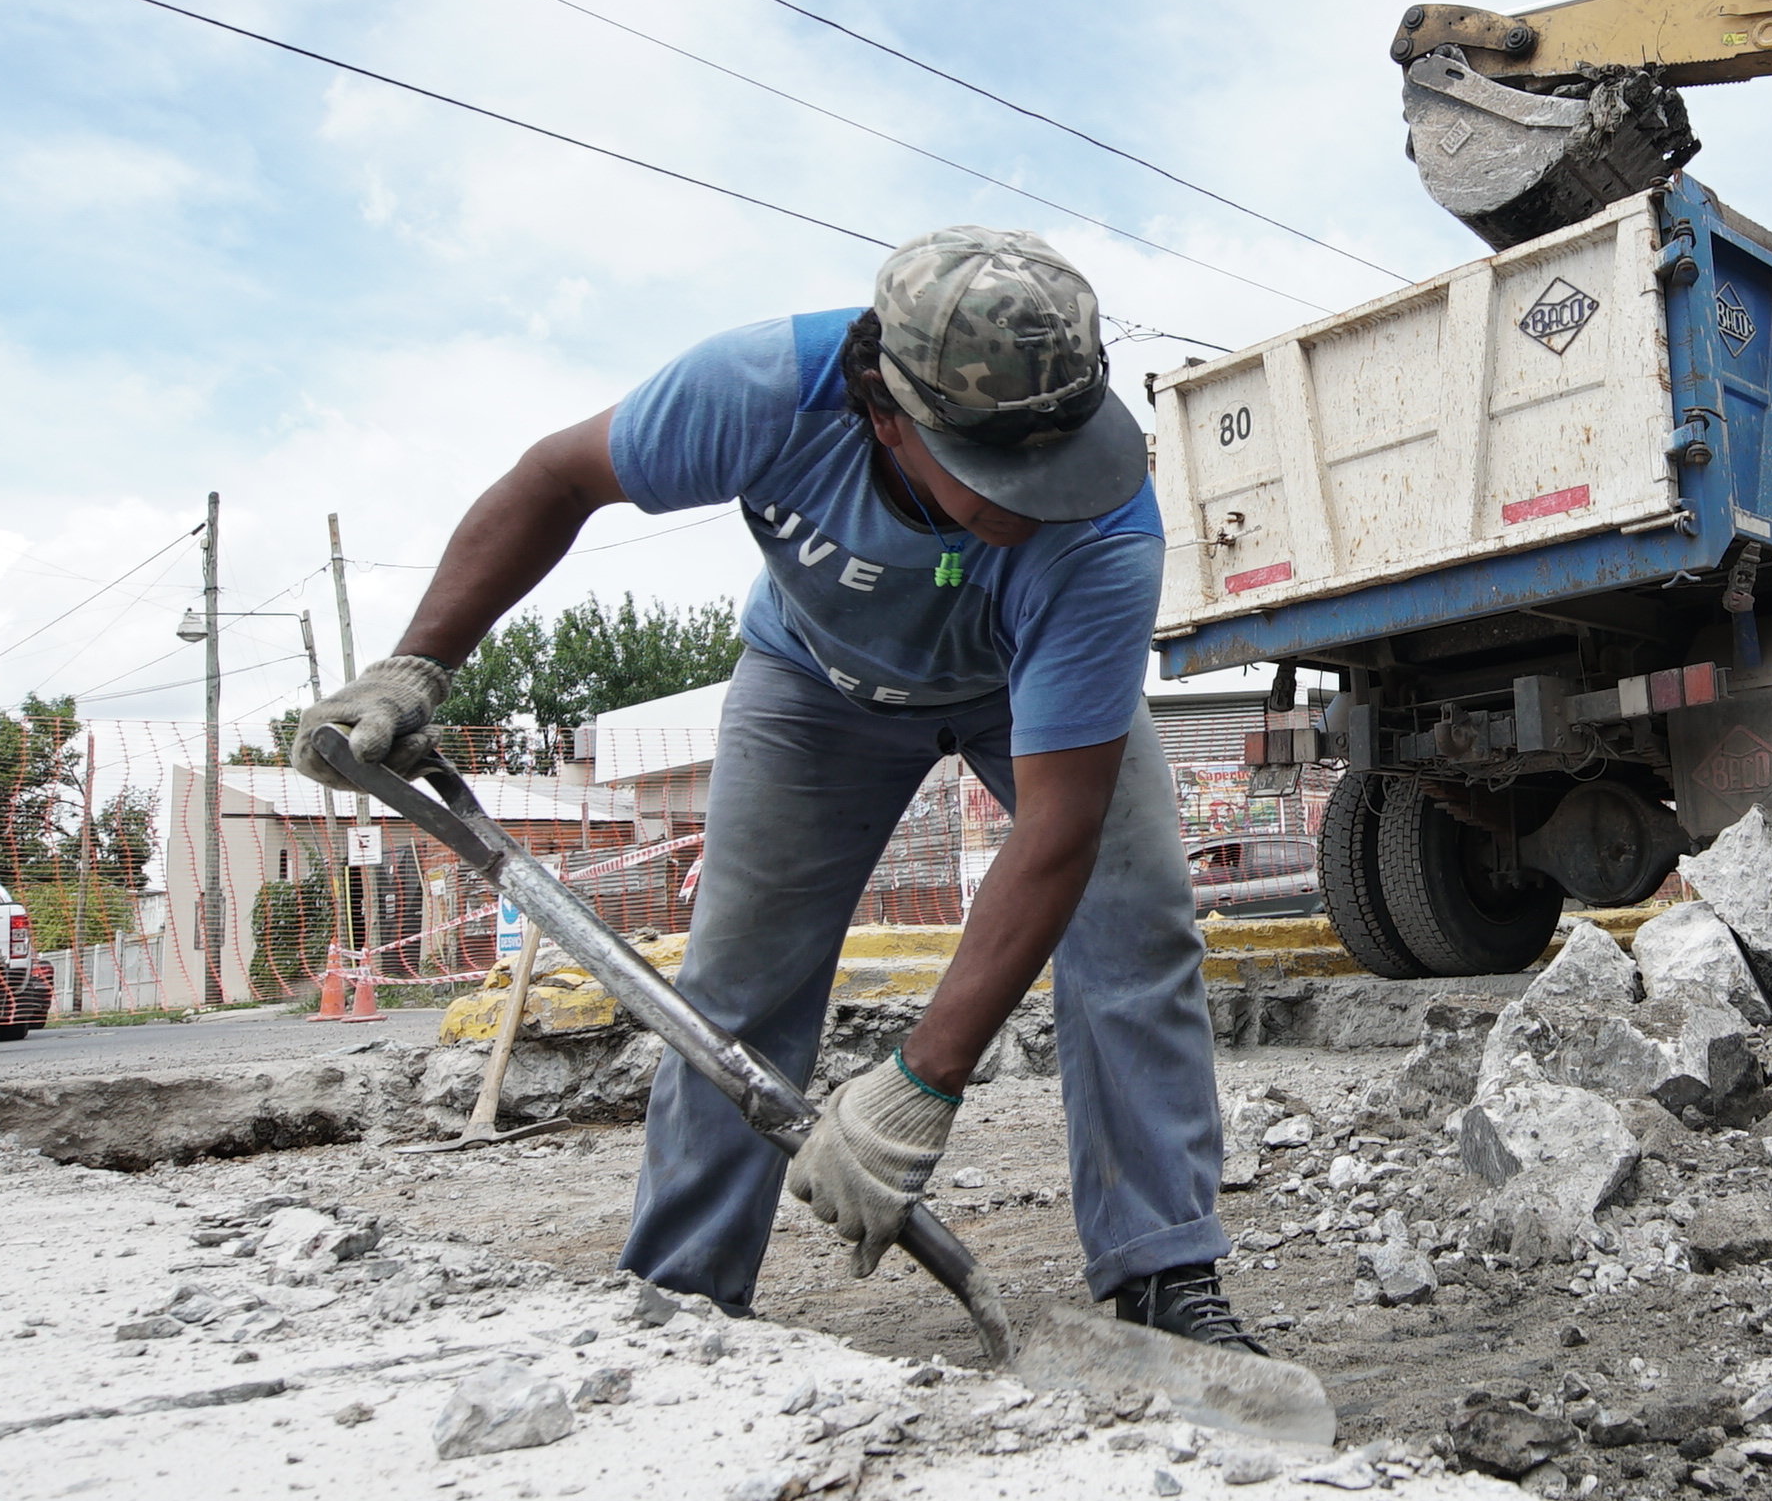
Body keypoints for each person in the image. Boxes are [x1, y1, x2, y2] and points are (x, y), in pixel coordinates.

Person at [305, 226, 1256, 1350]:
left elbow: (1059, 826)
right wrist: (422, 663)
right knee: (739, 976)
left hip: (1020, 696)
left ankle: (1163, 1278)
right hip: (816, 684)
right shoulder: (759, 389)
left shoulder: (1100, 529)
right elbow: (556, 479)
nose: (1034, 502)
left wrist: (923, 1082)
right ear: (884, 411)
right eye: (997, 473)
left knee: (1135, 933)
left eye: (1056, 461)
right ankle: (684, 1292)